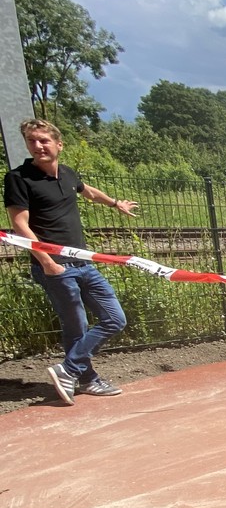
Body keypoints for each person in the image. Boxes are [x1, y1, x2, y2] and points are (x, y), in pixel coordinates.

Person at [3, 119, 137, 405]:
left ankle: (68, 369)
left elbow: (87, 191)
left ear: (58, 144)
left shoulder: (66, 173)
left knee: (115, 318)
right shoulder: (19, 178)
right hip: (54, 265)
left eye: (43, 140)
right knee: (75, 326)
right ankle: (86, 379)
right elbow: (19, 226)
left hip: (83, 261)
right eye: (32, 141)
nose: (37, 146)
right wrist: (47, 262)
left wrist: (115, 203)